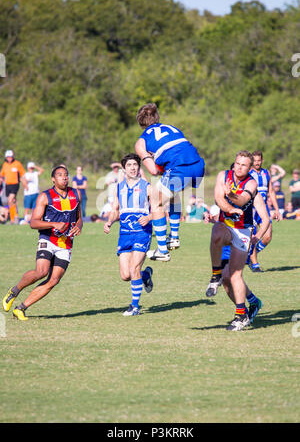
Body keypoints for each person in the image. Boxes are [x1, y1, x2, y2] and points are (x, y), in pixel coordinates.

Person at [2, 165, 82, 321]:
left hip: (65, 243)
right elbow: (33, 222)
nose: (64, 177)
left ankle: (21, 309)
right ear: (53, 179)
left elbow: (78, 217)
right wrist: (53, 224)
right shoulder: (45, 196)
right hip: (48, 239)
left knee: (54, 280)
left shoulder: (75, 193)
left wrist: (79, 225)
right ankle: (14, 291)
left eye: (66, 175)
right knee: (41, 272)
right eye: (60, 175)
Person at [207, 150, 270, 331]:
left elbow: (242, 201)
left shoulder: (251, 184)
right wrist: (221, 211)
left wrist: (256, 238)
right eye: (237, 163)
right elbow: (219, 199)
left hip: (242, 232)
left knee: (233, 276)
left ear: (250, 168)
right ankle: (215, 275)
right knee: (217, 231)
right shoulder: (223, 176)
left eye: (243, 165)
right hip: (226, 228)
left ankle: (242, 312)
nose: (238, 167)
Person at [135, 103, 205, 261]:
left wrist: (159, 167)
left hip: (179, 168)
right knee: (172, 193)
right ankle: (173, 236)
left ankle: (162, 251)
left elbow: (153, 171)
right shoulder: (172, 128)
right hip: (198, 166)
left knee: (155, 199)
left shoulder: (141, 142)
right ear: (157, 118)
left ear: (140, 123)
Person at [104, 153, 153, 316]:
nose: (133, 168)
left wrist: (149, 217)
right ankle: (146, 275)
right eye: (129, 165)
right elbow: (115, 210)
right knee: (126, 275)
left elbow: (161, 210)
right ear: (124, 169)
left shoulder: (147, 186)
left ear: (139, 167)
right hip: (124, 234)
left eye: (135, 165)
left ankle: (135, 307)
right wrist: (110, 221)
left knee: (133, 269)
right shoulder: (119, 187)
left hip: (142, 233)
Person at [204, 206, 263, 324]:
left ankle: (244, 309)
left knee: (231, 275)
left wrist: (256, 237)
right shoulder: (226, 193)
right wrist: (214, 221)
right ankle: (247, 307)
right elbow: (227, 221)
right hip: (227, 244)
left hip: (242, 240)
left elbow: (263, 220)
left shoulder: (250, 194)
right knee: (226, 281)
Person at [248, 150, 280, 272]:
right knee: (254, 235)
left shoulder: (266, 173)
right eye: (255, 161)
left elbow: (271, 191)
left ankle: (250, 254)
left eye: (259, 160)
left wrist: (276, 210)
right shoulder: (249, 173)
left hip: (264, 208)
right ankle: (255, 264)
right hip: (251, 208)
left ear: (262, 160)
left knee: (267, 237)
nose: (257, 163)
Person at [0, 150, 28, 224]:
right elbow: (1, 174)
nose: (9, 158)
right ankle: (14, 219)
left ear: (13, 157)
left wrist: (25, 184)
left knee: (10, 200)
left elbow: (23, 174)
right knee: (12, 202)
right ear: (6, 157)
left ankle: (14, 217)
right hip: (7, 185)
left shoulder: (17, 164)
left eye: (11, 157)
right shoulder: (5, 164)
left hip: (15, 185)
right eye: (8, 157)